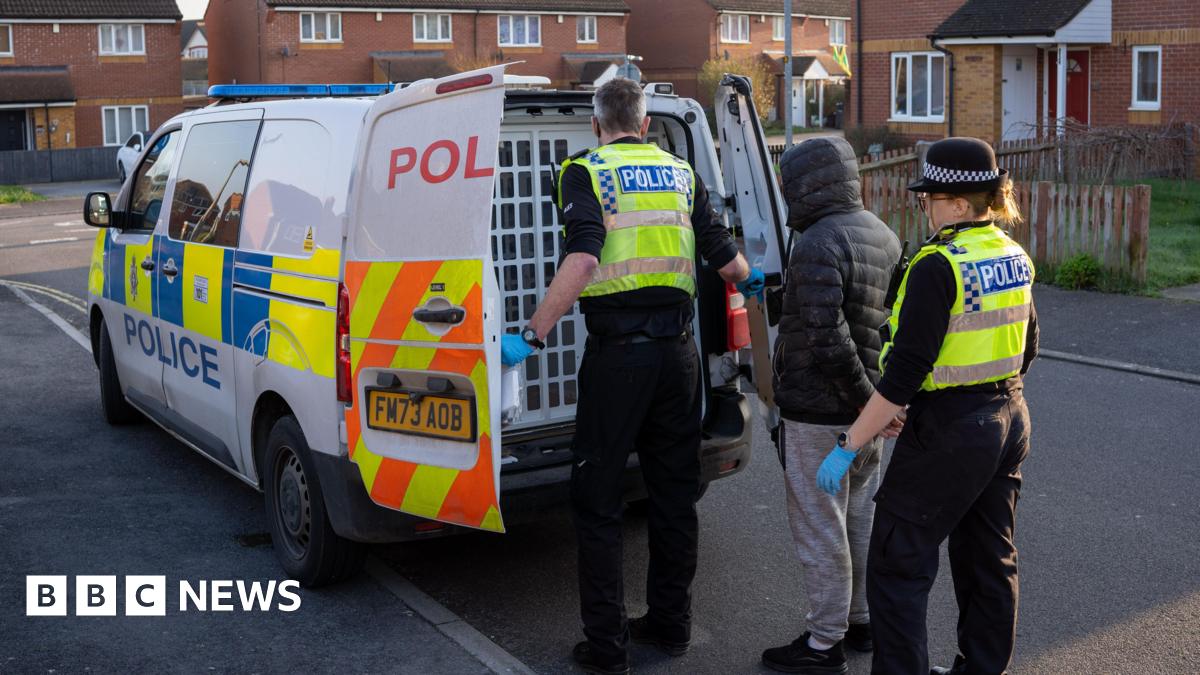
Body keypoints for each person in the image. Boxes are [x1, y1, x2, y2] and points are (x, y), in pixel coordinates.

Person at [500, 77, 763, 675]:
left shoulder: (584, 172)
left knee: (596, 499)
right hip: (680, 356)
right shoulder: (680, 172)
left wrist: (533, 334)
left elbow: (585, 256)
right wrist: (754, 286)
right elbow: (723, 255)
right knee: (673, 493)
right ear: (646, 124)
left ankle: (608, 648)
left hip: (619, 359)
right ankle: (671, 626)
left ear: (598, 125)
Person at [813, 137, 1038, 675]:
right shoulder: (1012, 254)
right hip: (1009, 418)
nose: (923, 205)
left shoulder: (939, 265)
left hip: (951, 431)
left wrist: (849, 444)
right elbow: (1026, 349)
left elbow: (902, 376)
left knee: (897, 565)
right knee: (989, 558)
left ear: (959, 204)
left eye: (928, 197)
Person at [761, 136, 902, 674]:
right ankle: (861, 621)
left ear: (805, 184)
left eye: (788, 184)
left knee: (821, 528)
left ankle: (823, 645)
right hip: (866, 416)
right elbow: (878, 321)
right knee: (858, 519)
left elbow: (826, 337)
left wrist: (872, 408)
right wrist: (877, 409)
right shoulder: (882, 234)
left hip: (822, 416)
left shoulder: (818, 241)